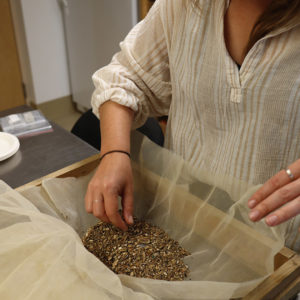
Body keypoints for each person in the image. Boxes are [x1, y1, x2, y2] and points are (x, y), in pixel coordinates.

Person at [84, 0, 300, 249]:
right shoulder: (183, 6)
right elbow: (126, 77)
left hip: (279, 252)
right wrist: (114, 152)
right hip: (182, 221)